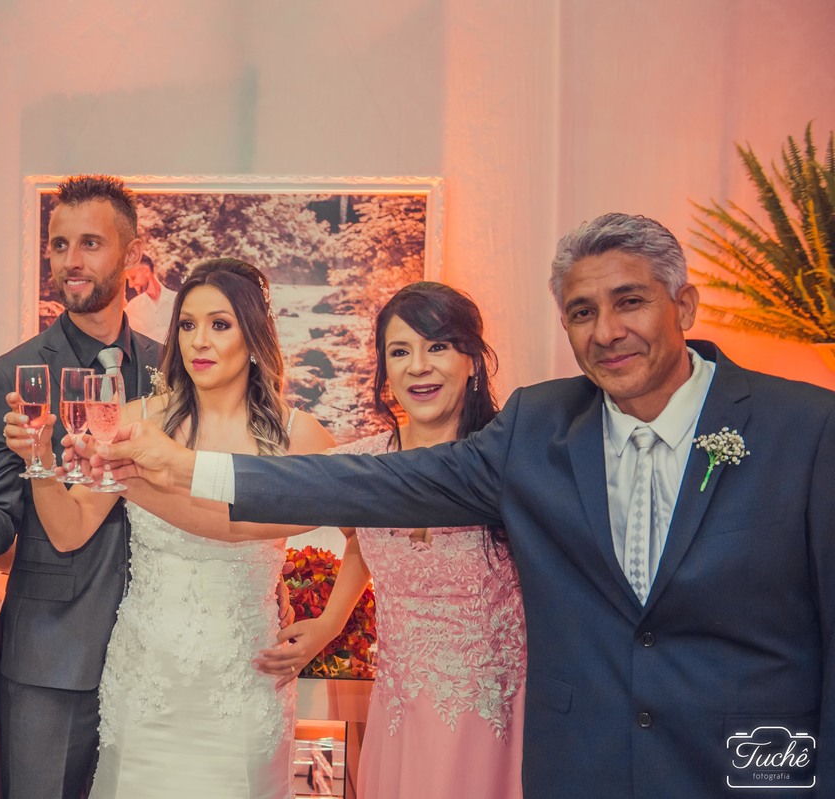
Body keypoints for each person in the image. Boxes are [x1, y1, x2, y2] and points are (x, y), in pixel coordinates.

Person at [99, 212, 835, 799]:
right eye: (582, 311)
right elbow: (352, 485)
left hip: (743, 766)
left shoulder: (806, 428)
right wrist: (185, 467)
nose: (607, 330)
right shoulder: (541, 428)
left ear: (685, 305)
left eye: (630, 301)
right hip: (580, 764)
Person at [17, 257, 332, 797]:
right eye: (187, 325)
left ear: (254, 336)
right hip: (146, 680)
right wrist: (39, 459)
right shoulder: (133, 420)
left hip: (245, 685)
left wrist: (327, 625)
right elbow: (69, 531)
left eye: (220, 324)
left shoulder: (297, 436)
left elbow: (365, 531)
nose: (199, 341)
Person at [254, 282, 526, 798]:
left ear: (473, 360)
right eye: (400, 352)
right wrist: (330, 623)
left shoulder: (509, 462)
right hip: (401, 719)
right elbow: (356, 537)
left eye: (437, 346)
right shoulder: (364, 465)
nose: (417, 367)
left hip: (496, 725)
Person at [0, 175, 163, 799]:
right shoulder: (12, 375)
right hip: (52, 654)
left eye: (90, 243)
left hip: (160, 652)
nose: (70, 260)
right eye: (59, 244)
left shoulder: (171, 368)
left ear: (131, 252)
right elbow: (1, 514)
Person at [124, 253, 178, 343]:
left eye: (133, 278)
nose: (130, 285)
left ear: (146, 271)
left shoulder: (177, 300)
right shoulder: (132, 308)